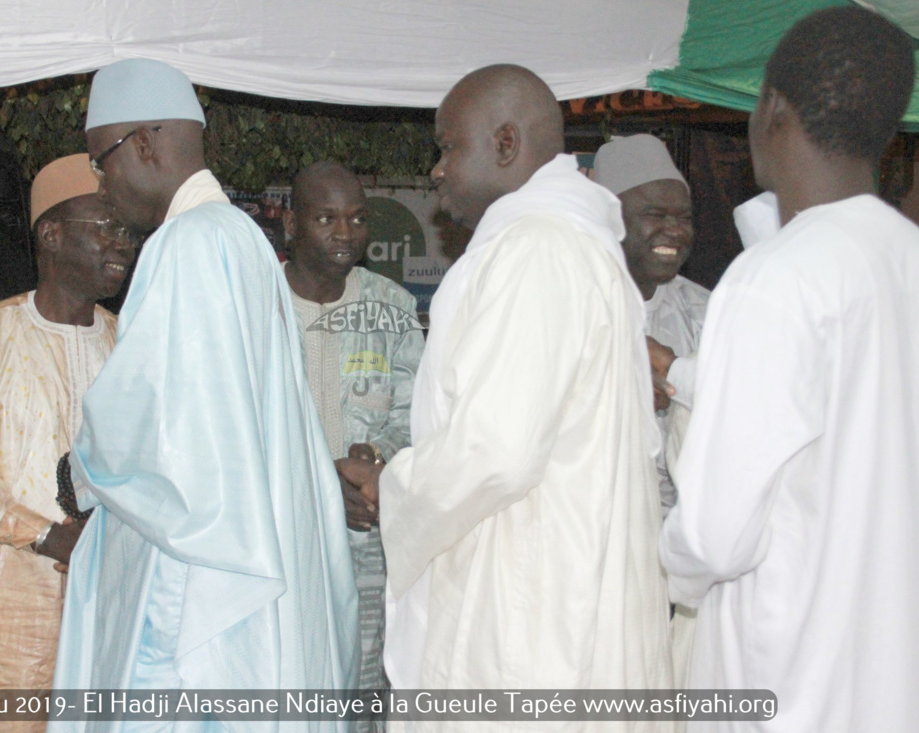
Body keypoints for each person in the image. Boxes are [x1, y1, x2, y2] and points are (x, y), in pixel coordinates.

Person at [338, 64, 672, 707]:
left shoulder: (538, 250)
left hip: (528, 624)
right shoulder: (571, 245)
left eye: (447, 145)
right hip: (562, 601)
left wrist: (393, 485)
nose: (436, 170)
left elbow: (497, 449)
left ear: (506, 143)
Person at [49, 59, 358, 727]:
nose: (101, 185)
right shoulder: (241, 238)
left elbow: (155, 427)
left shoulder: (187, 245)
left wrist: (79, 470)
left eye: (100, 162)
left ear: (144, 144)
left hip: (196, 578)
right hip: (242, 546)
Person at [660, 7, 919, 730]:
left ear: (773, 110)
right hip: (899, 683)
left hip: (786, 683)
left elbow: (717, 535)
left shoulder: (773, 276)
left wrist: (657, 555)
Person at [0, 154, 132, 732]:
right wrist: (44, 535)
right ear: (51, 234)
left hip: (112, 616)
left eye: (125, 229)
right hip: (7, 623)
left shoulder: (132, 343)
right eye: (104, 226)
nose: (121, 242)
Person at [282, 161, 424, 729]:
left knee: (363, 691)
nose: (346, 233)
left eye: (358, 218)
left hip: (369, 542)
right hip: (281, 541)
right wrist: (320, 482)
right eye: (326, 218)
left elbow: (419, 415)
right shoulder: (254, 302)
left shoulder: (391, 304)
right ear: (291, 224)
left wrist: (377, 459)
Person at [591, 134, 709, 515]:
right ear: (610, 220)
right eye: (655, 215)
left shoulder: (707, 312)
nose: (675, 230)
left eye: (685, 217)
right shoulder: (572, 308)